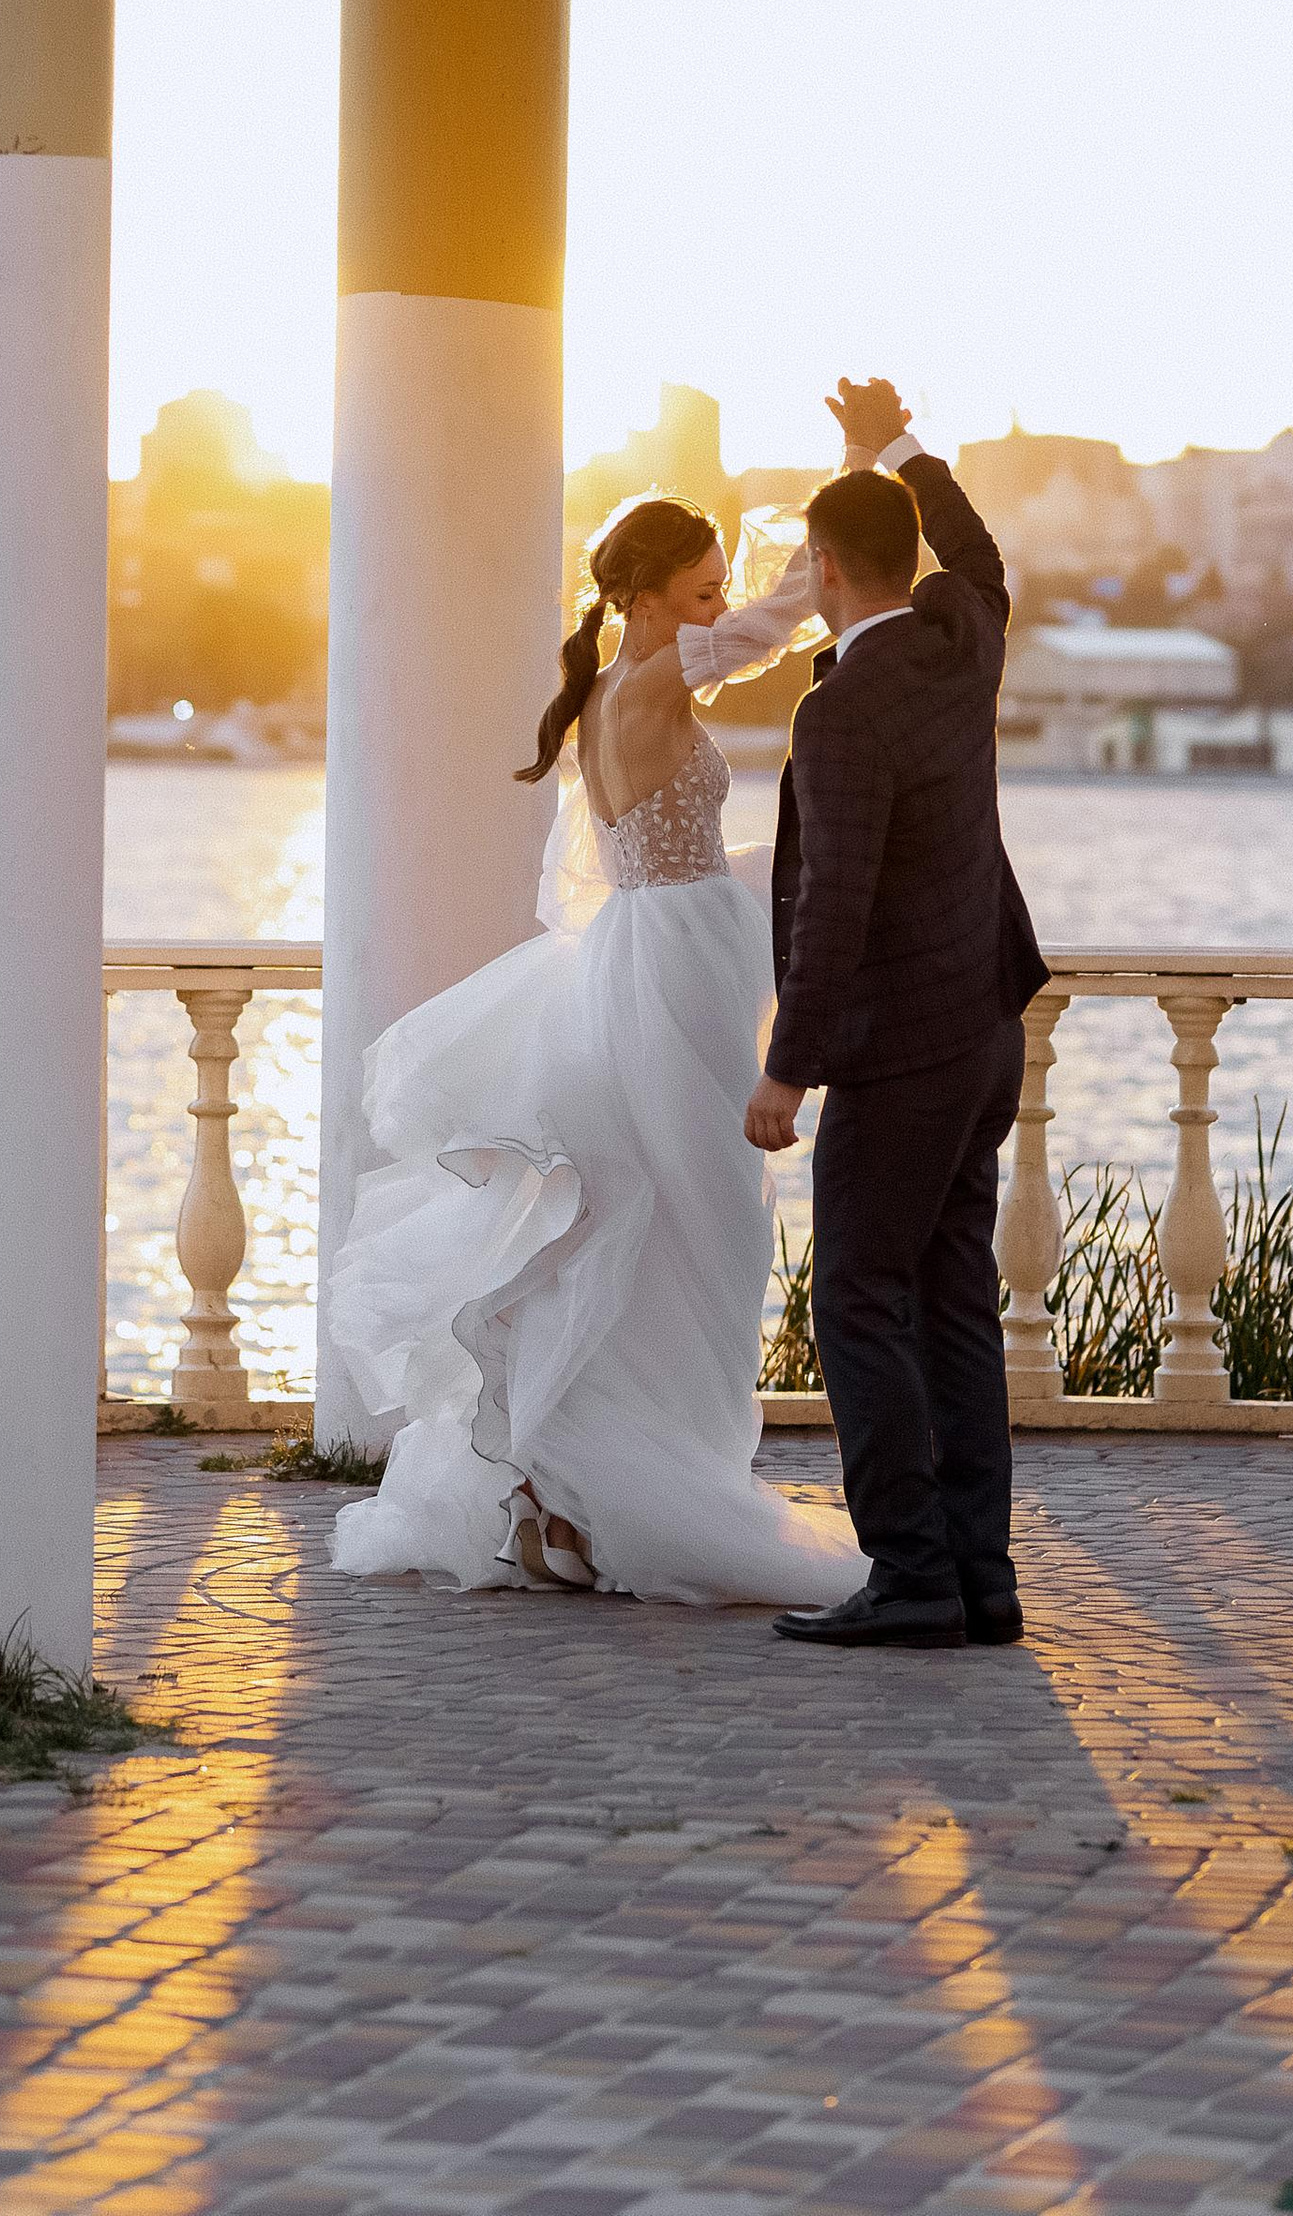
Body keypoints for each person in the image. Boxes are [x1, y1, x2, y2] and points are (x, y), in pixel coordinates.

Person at [325, 485, 865, 1603]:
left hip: (651, 950)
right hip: (675, 967)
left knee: (660, 1220)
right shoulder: (652, 679)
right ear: (641, 598)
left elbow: (732, 688)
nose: (718, 605)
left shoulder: (609, 690)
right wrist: (836, 537)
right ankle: (599, 1486)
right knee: (696, 1220)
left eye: (720, 587)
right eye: (700, 590)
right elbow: (769, 632)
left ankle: (554, 1498)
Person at [748, 377, 1050, 1650]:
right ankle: (978, 1577)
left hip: (903, 1051)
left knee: (857, 1300)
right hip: (984, 1027)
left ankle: (912, 1574)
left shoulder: (841, 710)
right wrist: (898, 449)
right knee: (948, 1296)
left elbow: (835, 911)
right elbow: (979, 556)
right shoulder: (956, 640)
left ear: (822, 566)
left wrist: (787, 1070)